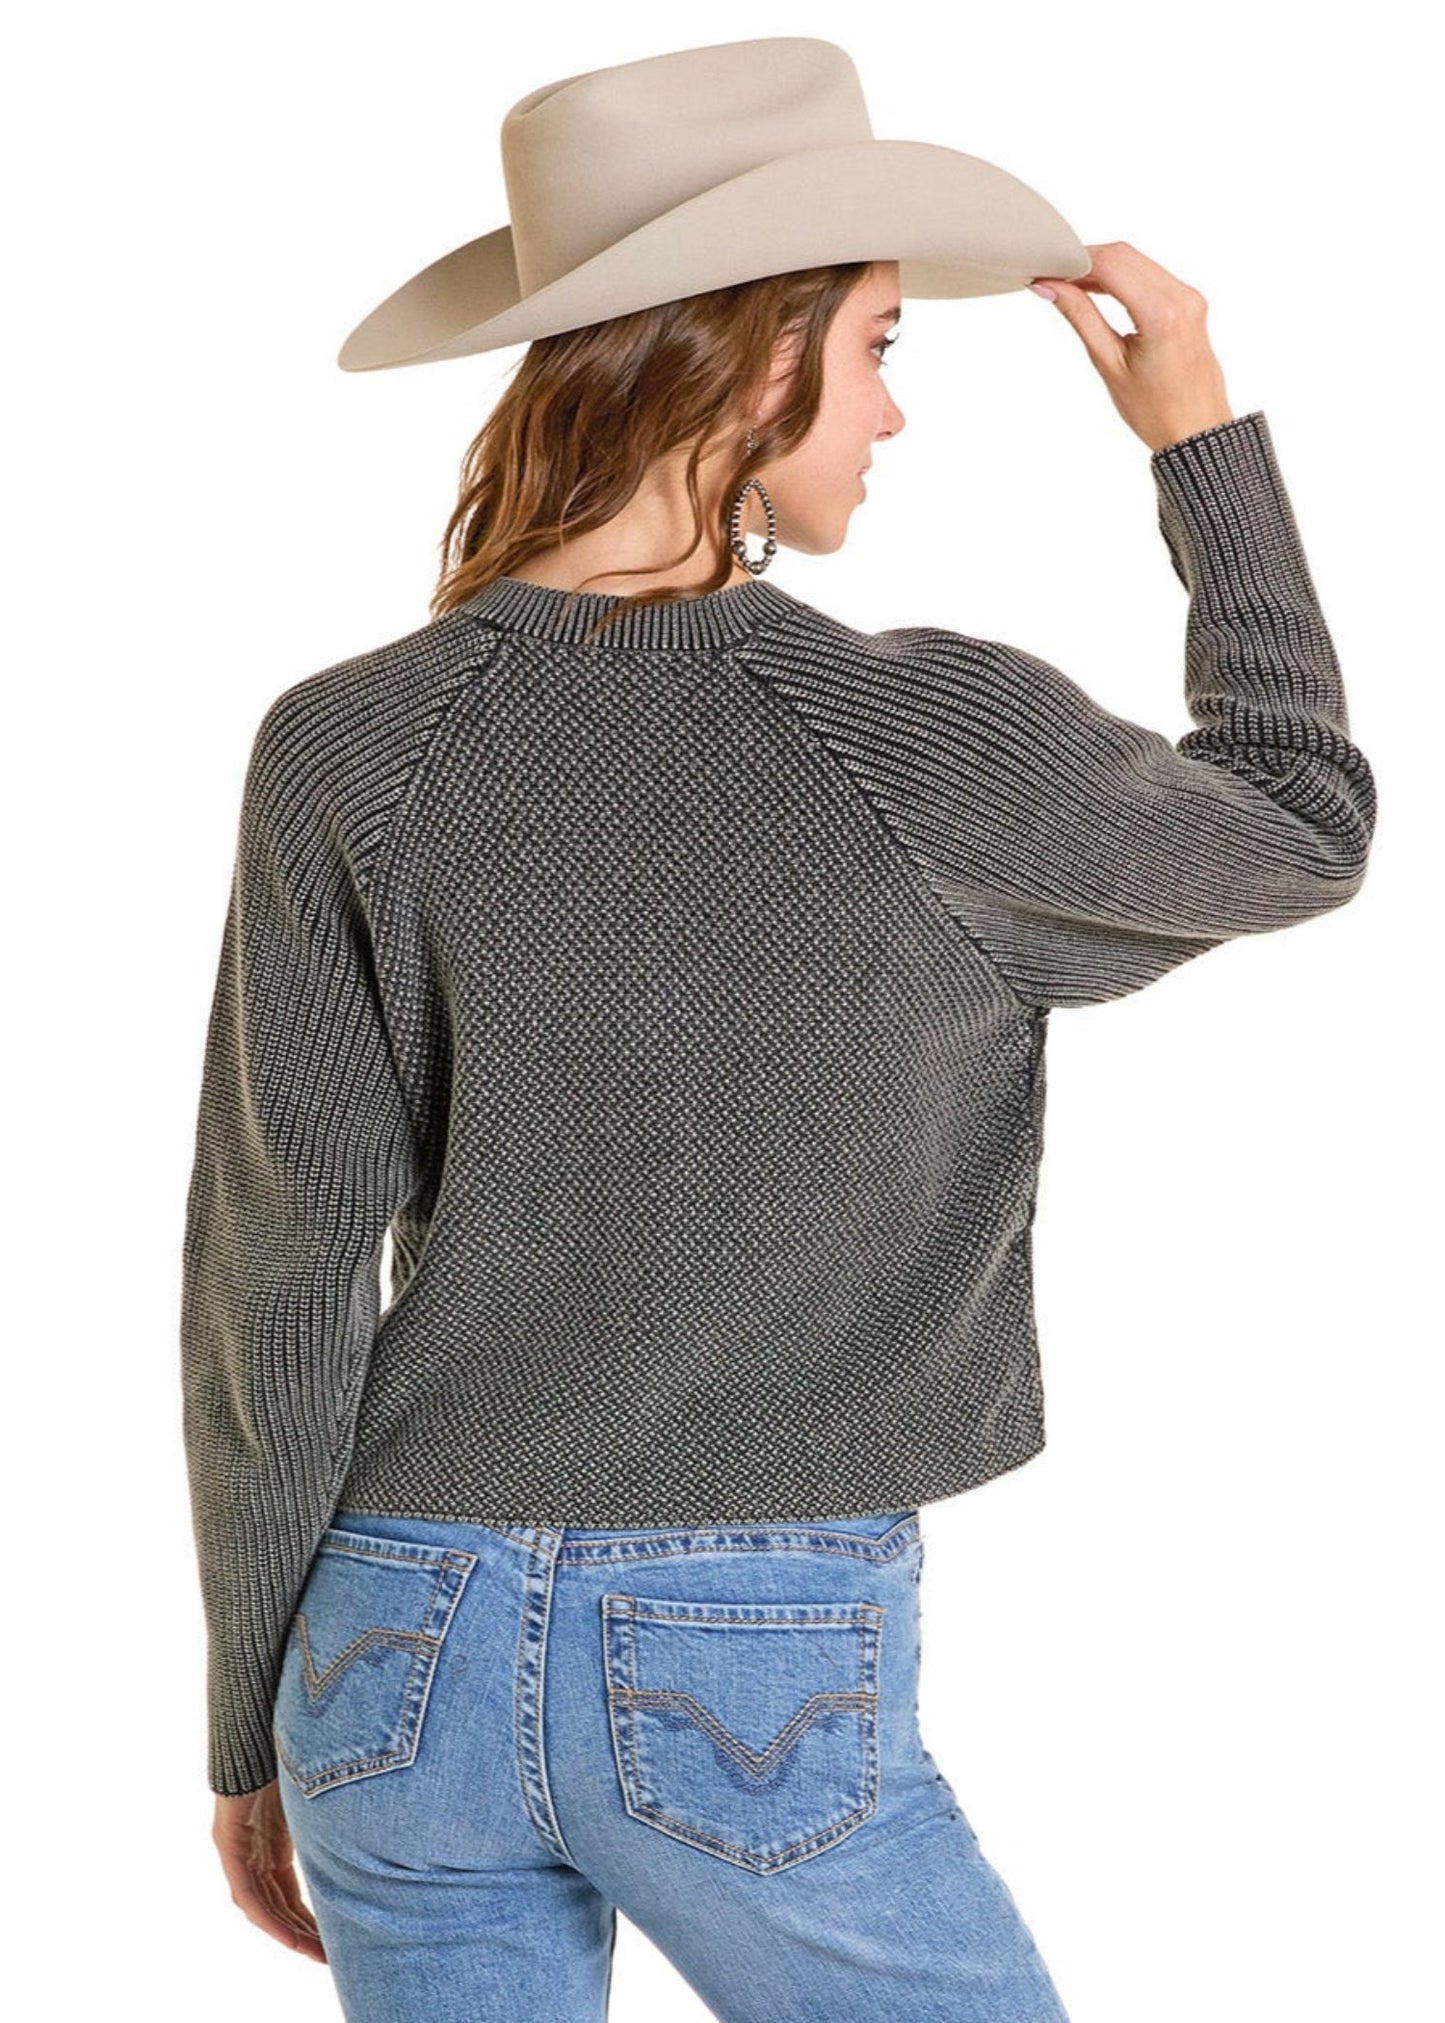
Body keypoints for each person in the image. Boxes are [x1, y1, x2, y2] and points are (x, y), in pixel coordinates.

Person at [178, 36, 1377, 2023]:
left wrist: (246, 1722)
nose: (894, 413)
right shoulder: (915, 734)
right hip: (739, 1640)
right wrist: (1200, 438)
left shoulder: (346, 744)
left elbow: (273, 1272)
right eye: (883, 343)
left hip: (387, 1650)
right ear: (752, 365)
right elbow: (1300, 823)